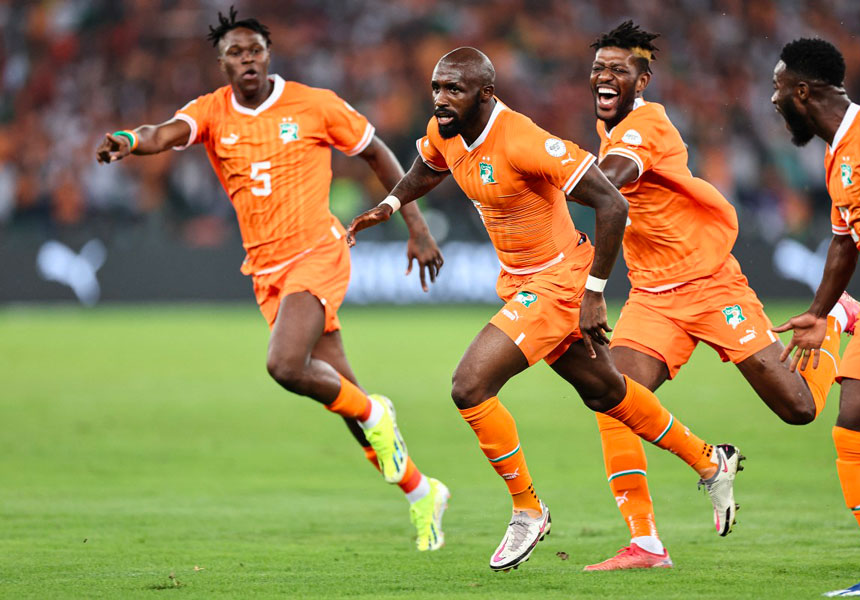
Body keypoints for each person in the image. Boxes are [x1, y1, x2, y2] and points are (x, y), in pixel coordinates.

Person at [347, 46, 743, 572]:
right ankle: (709, 461)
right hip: (519, 281)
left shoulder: (526, 140)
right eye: (437, 87)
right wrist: (392, 205)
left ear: (486, 94)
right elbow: (428, 165)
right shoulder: (445, 127)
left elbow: (613, 202)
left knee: (469, 385)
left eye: (455, 90)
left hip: (561, 279)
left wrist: (595, 291)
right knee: (607, 392)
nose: (441, 99)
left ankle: (527, 509)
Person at [95, 8, 450, 552]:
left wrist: (416, 225)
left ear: (268, 55)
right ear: (222, 64)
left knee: (285, 364)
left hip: (318, 251)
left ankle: (378, 410)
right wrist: (126, 138)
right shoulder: (212, 112)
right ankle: (422, 492)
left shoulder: (315, 104)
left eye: (255, 50)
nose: (247, 60)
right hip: (266, 271)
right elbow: (161, 133)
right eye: (236, 54)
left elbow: (377, 151)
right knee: (341, 393)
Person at [583, 21, 859, 571]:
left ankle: (838, 319)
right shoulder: (606, 125)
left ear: (643, 80)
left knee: (799, 409)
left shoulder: (648, 124)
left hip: (711, 286)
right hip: (653, 295)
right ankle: (648, 541)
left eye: (619, 68)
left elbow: (607, 180)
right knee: (612, 395)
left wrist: (542, 171)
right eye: (598, 68)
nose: (604, 77)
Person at [773, 37, 860, 597]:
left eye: (778, 89)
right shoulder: (834, 155)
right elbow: (842, 243)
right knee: (854, 432)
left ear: (803, 90)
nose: (773, 101)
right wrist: (819, 313)